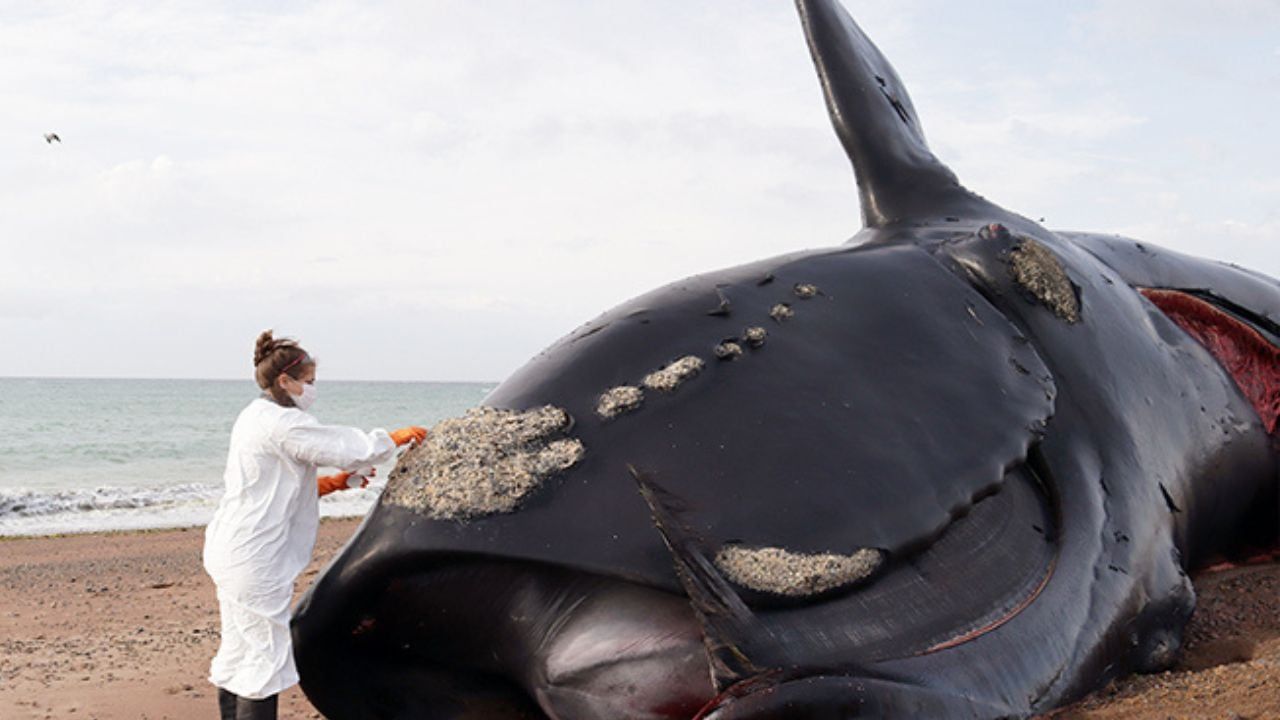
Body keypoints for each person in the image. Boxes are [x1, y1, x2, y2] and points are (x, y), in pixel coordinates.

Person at [203, 330, 427, 720]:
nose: (311, 390)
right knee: (263, 661)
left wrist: (332, 484)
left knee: (240, 652)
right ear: (285, 381)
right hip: (255, 558)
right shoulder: (283, 424)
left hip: (231, 546)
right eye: (308, 382)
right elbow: (342, 446)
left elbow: (271, 486)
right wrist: (393, 438)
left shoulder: (253, 416)